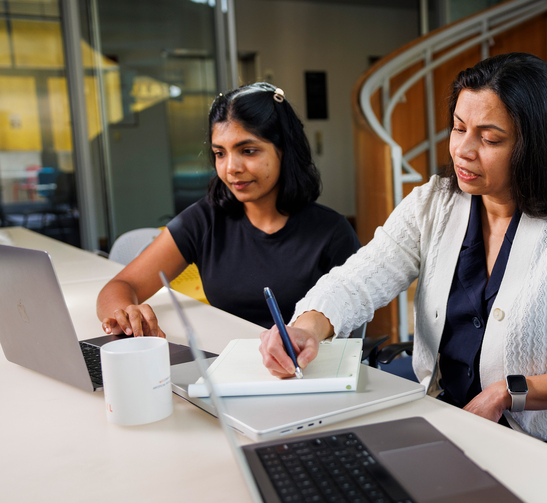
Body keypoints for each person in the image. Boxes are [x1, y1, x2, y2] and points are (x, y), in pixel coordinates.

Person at [259, 53, 547, 447]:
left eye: (490, 138)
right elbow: (360, 277)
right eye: (458, 128)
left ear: (537, 145)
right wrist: (306, 327)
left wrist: (510, 392)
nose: (463, 150)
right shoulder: (435, 203)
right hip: (445, 421)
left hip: (544, 446)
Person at [96, 82, 359, 336]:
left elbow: (351, 319)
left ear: (284, 151)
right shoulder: (204, 220)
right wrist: (124, 315)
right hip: (227, 366)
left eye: (248, 150)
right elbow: (121, 285)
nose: (231, 168)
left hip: (307, 371)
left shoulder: (332, 233)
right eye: (220, 153)